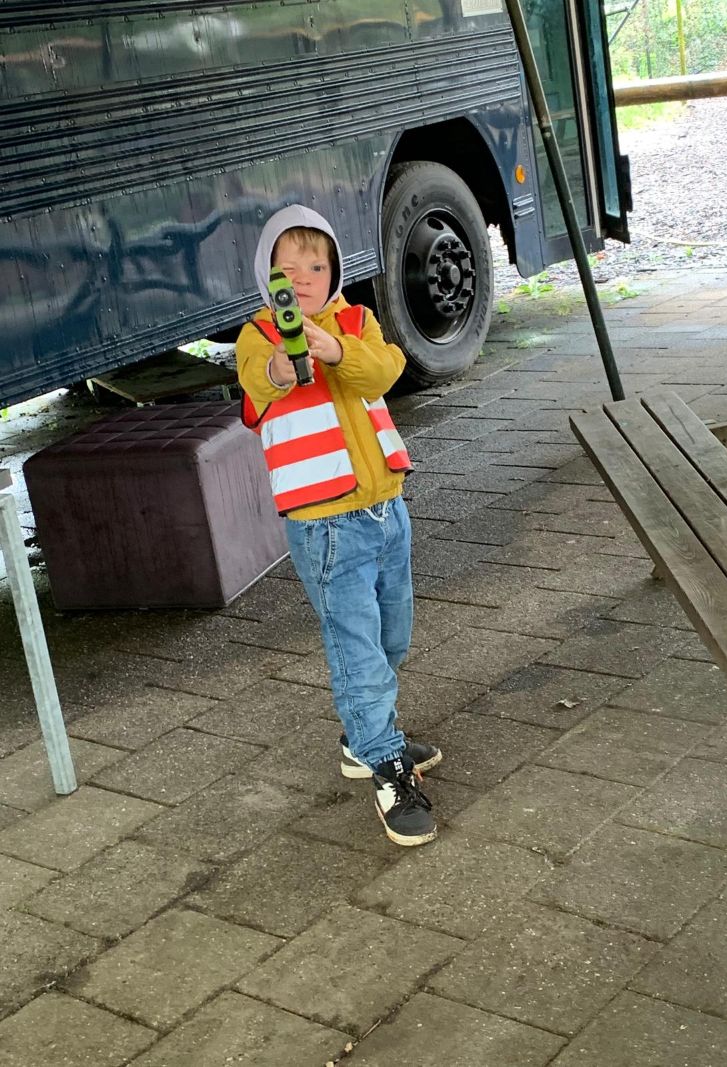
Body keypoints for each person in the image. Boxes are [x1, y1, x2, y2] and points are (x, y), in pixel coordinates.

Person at [236, 204, 442, 847]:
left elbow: (384, 370)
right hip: (326, 525)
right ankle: (385, 763)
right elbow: (262, 383)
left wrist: (336, 348)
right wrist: (288, 359)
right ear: (266, 277)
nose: (303, 279)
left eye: (316, 266)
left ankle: (364, 736)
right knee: (358, 649)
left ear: (335, 273)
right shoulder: (257, 336)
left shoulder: (357, 321)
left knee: (391, 636)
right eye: (287, 269)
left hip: (386, 509)